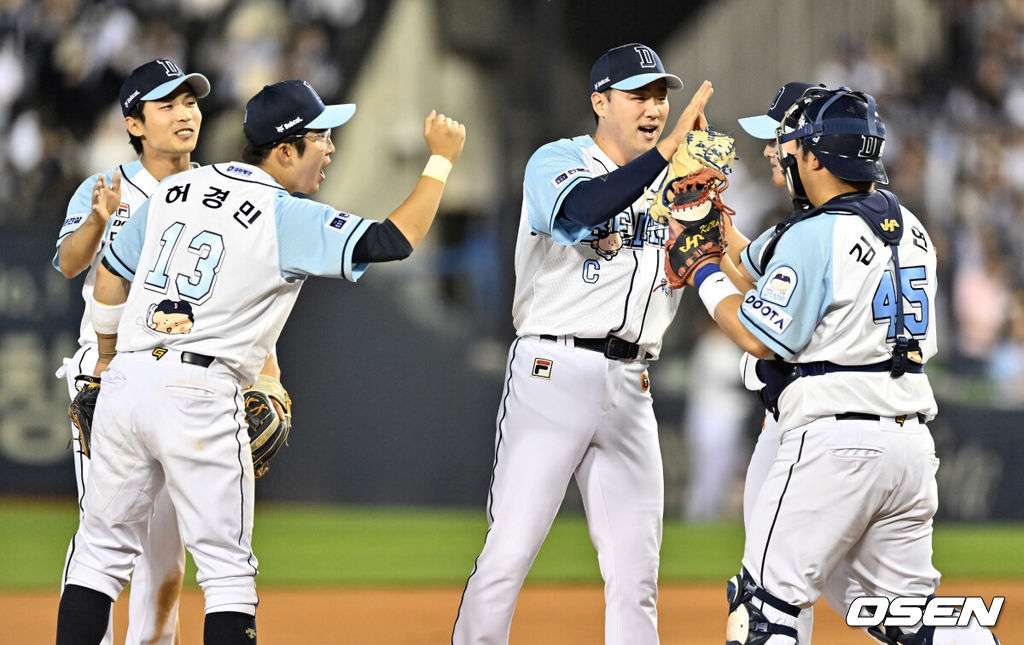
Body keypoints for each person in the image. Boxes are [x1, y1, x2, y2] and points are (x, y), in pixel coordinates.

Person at [55, 79, 465, 645]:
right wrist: (441, 161)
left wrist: (102, 361)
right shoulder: (284, 213)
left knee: (97, 558)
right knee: (226, 574)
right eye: (320, 136)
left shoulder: (178, 189)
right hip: (197, 393)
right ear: (284, 149)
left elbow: (111, 272)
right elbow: (394, 240)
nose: (331, 148)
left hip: (126, 381)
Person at [684, 86, 998, 644]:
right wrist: (707, 215)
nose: (777, 155)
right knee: (910, 622)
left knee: (763, 611)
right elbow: (766, 272)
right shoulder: (909, 226)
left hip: (835, 442)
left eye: (789, 147)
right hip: (908, 448)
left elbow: (760, 336)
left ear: (816, 155)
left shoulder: (817, 234)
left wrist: (701, 272)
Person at [452, 43, 712, 644]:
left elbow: (715, 259)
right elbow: (583, 207)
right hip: (555, 368)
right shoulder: (558, 160)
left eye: (660, 96)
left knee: (636, 571)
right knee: (511, 548)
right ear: (600, 101)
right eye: (638, 95)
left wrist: (700, 198)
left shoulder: (677, 181)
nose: (654, 108)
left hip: (633, 383)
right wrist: (670, 154)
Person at [53, 58, 212, 645]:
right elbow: (71, 264)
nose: (184, 114)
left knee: (167, 556)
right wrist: (98, 221)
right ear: (135, 123)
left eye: (189, 102)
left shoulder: (215, 190)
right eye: (166, 105)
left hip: (182, 383)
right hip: (106, 373)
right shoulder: (107, 186)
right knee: (105, 538)